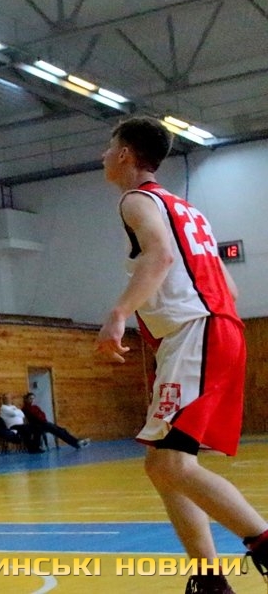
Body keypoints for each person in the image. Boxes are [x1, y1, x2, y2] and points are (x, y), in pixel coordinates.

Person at [96, 116, 268, 594]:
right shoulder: (187, 211)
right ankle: (209, 579)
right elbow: (229, 286)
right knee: (163, 465)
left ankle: (263, 543)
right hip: (214, 330)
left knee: (171, 465)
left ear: (125, 154)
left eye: (109, 147)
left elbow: (161, 257)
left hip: (197, 333)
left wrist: (119, 313)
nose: (103, 156)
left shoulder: (136, 200)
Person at [22, 393, 89, 450]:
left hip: (44, 423)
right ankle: (76, 443)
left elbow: (43, 415)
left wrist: (40, 416)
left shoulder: (35, 407)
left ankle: (76, 443)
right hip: (37, 425)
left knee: (62, 430)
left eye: (33, 398)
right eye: (30, 398)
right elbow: (36, 416)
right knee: (58, 431)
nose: (32, 400)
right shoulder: (25, 408)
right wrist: (40, 415)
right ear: (26, 399)